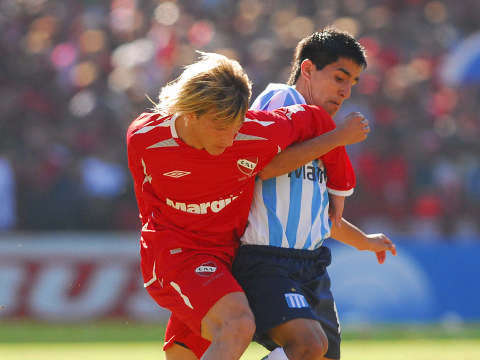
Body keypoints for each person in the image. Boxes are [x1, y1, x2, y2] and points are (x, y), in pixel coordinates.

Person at [126, 52, 370, 360]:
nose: (229, 138)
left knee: (184, 354)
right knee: (238, 326)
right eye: (219, 126)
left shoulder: (257, 132)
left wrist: (339, 188)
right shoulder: (146, 137)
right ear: (191, 112)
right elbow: (146, 201)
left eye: (235, 125)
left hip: (231, 262)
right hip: (176, 254)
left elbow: (319, 121)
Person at [232, 28, 397, 360]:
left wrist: (365, 241)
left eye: (352, 83)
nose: (346, 91)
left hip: (310, 265)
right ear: (307, 69)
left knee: (318, 355)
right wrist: (338, 137)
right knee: (308, 345)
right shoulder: (281, 100)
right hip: (265, 260)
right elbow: (263, 166)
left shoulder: (322, 133)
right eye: (339, 77)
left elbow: (323, 219)